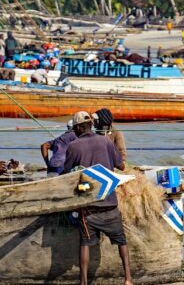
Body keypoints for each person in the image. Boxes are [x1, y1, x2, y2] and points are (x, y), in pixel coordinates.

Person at [63, 111, 131, 285]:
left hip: (89, 207)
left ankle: (83, 282)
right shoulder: (106, 141)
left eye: (75, 129)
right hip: (110, 203)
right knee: (121, 240)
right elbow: (121, 165)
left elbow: (66, 174)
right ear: (91, 125)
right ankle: (128, 279)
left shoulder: (74, 146)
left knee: (85, 243)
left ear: (78, 127)